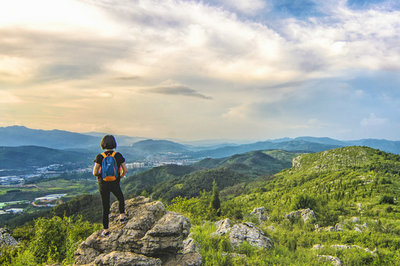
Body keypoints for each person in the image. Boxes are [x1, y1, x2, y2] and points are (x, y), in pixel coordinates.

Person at [93, 135, 128, 237]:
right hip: (114, 182)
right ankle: (122, 218)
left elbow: (95, 172)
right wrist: (119, 176)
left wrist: (101, 176)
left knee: (105, 206)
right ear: (114, 144)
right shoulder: (118, 155)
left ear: (103, 144)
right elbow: (125, 170)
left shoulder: (100, 156)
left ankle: (106, 230)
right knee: (120, 198)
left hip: (103, 183)